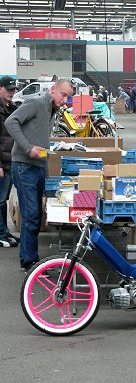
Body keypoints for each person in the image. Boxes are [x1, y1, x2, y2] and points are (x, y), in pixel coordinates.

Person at [5, 79, 73, 272]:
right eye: (63, 94)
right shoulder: (36, 103)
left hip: (38, 166)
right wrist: (27, 148)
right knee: (31, 215)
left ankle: (31, 259)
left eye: (68, 97)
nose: (65, 100)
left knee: (37, 214)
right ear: (53, 90)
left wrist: (46, 168)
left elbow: (39, 136)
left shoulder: (53, 110)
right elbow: (11, 121)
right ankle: (29, 263)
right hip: (24, 166)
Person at [0, 76, 19, 247]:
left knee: (4, 200)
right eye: (8, 89)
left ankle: (5, 232)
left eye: (13, 89)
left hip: (10, 159)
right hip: (2, 162)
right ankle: (0, 234)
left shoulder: (12, 108)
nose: (12, 92)